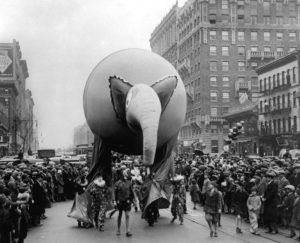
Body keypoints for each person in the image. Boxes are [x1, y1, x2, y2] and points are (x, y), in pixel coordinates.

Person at [114, 169, 134, 237]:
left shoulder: (129, 182)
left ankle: (127, 231)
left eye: (126, 174)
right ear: (122, 175)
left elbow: (131, 192)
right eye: (124, 174)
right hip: (120, 201)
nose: (126, 175)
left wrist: (132, 200)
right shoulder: (117, 183)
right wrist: (115, 201)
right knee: (120, 214)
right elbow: (115, 193)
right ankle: (118, 229)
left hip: (127, 201)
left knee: (127, 215)